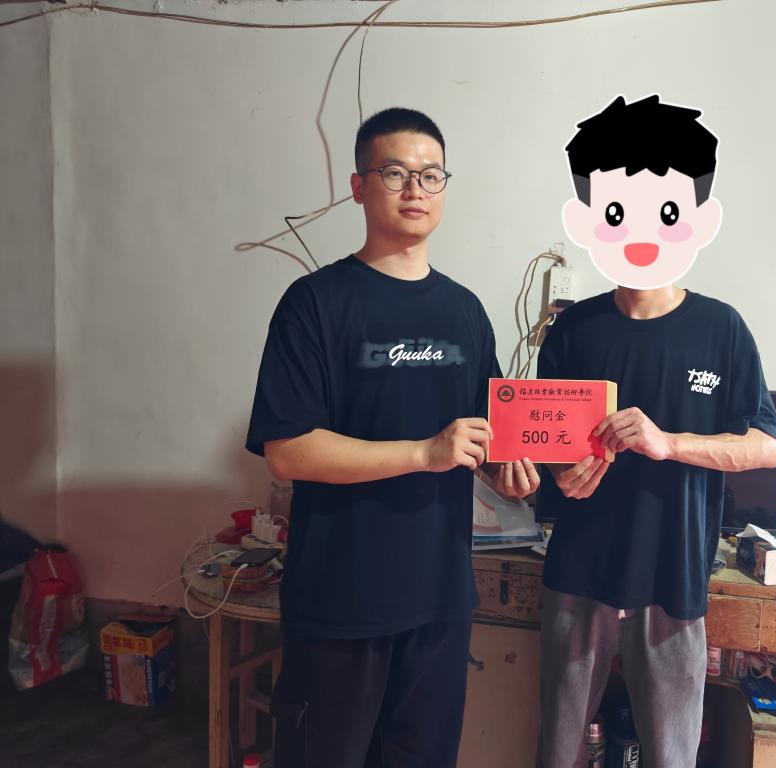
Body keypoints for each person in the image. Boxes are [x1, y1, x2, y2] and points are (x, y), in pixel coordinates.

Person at [245, 107, 539, 768]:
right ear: (359, 186)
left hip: (439, 603)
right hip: (339, 602)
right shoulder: (313, 304)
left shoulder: (464, 312)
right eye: (395, 173)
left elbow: (483, 438)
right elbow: (287, 451)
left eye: (431, 175)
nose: (415, 190)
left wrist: (508, 469)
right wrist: (424, 453)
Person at [536, 95, 776, 768]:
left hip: (673, 579)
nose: (641, 231)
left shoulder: (722, 329)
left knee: (672, 756)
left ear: (698, 219)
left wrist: (669, 443)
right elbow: (539, 448)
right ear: (589, 218)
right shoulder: (573, 329)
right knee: (558, 753)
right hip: (578, 574)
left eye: (665, 211)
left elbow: (767, 445)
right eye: (618, 211)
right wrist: (558, 475)